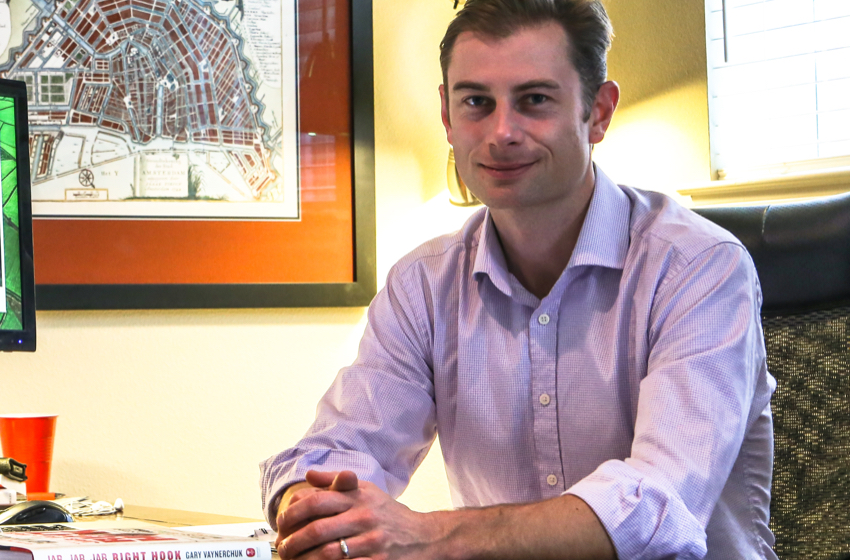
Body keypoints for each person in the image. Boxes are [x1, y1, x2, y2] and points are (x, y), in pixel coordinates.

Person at [260, 1, 774, 559]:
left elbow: (656, 505)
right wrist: (310, 507)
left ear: (598, 112)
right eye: (477, 102)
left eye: (534, 100)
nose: (501, 132)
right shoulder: (422, 286)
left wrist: (429, 534)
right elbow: (336, 451)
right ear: (447, 116)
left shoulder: (698, 266)